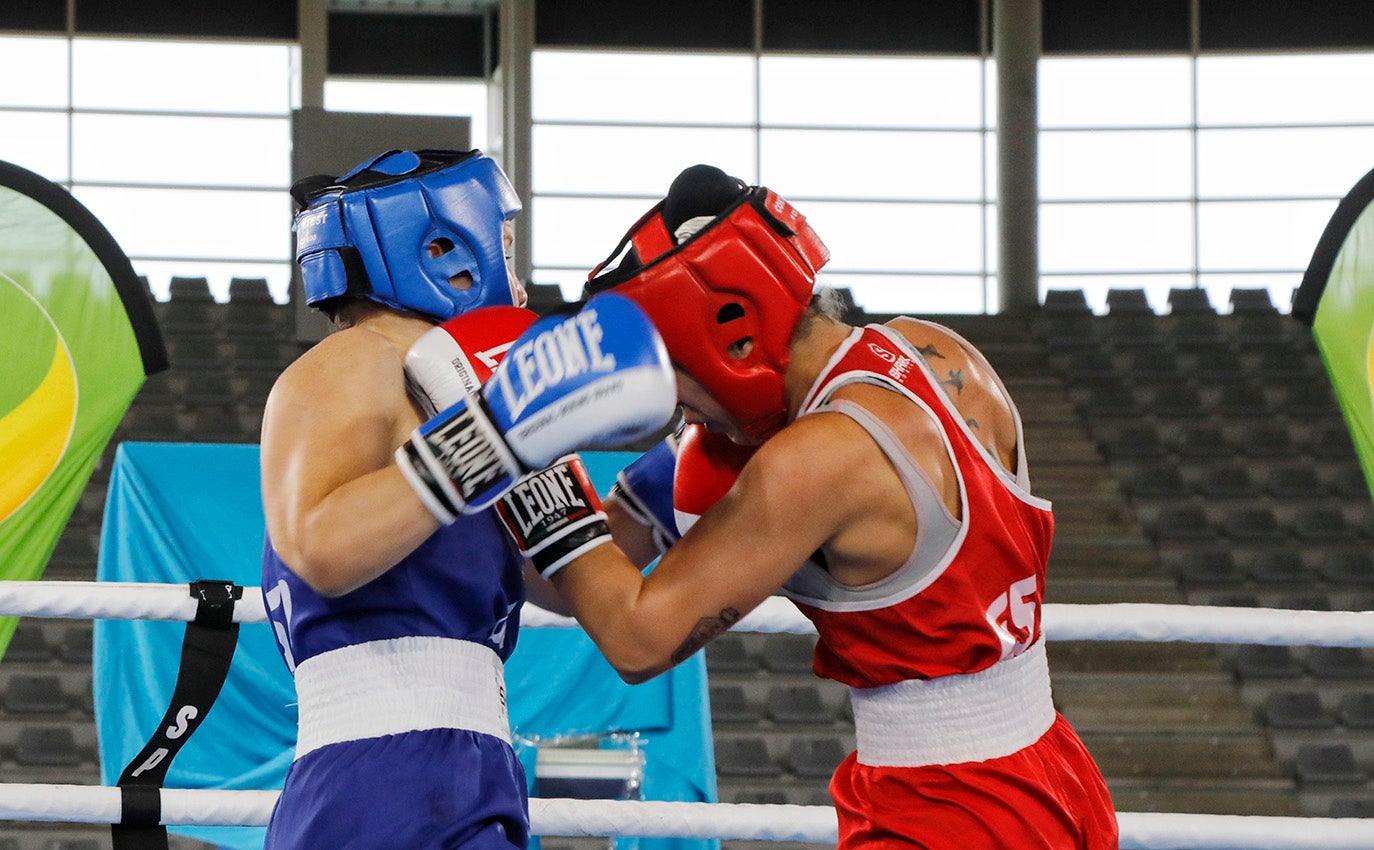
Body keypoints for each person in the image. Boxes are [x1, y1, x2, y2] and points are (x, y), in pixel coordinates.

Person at [496, 165, 1119, 849]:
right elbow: (585, 575)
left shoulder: (812, 462)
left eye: (670, 375)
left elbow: (637, 639)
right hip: (1052, 776)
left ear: (730, 327)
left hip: (946, 808)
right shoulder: (937, 354)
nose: (671, 407)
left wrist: (522, 461)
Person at [258, 148, 674, 850]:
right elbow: (320, 549)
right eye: (504, 247)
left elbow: (564, 579)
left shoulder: (478, 388)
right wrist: (493, 440)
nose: (515, 281)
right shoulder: (357, 360)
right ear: (440, 248)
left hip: (469, 766)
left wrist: (684, 468)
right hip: (383, 776)